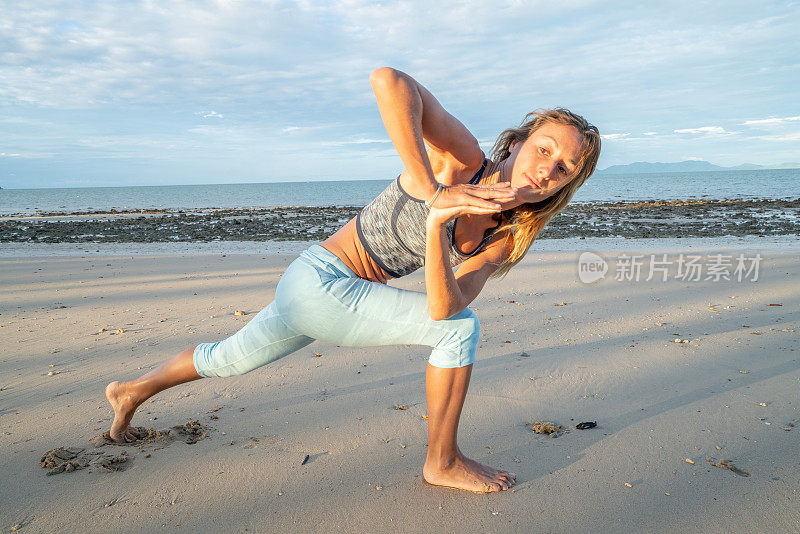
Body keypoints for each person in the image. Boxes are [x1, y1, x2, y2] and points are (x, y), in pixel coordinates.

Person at [105, 67, 601, 493]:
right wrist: (432, 193)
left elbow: (443, 306)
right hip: (321, 279)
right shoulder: (462, 159)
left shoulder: (504, 237)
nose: (546, 169)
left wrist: (434, 227)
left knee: (226, 359)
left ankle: (130, 391)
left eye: (564, 167)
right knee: (462, 334)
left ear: (568, 184)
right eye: (543, 149)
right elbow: (387, 80)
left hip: (324, 291)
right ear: (516, 144)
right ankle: (442, 462)